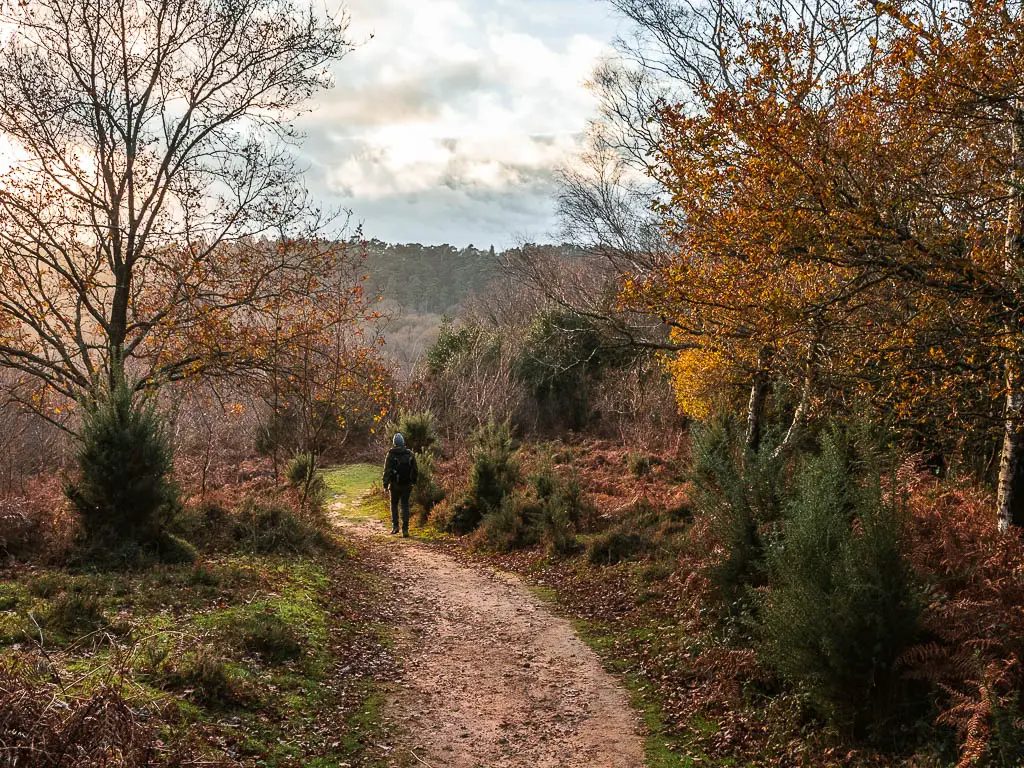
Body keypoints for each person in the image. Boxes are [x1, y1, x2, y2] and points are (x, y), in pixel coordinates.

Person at [383, 433, 418, 536]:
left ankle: (395, 527)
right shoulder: (409, 454)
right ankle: (405, 530)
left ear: (394, 443)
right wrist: (413, 482)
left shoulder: (391, 454)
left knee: (394, 504)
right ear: (403, 442)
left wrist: (385, 485)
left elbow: (387, 471)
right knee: (405, 506)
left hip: (394, 485)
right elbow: (415, 470)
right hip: (407, 484)